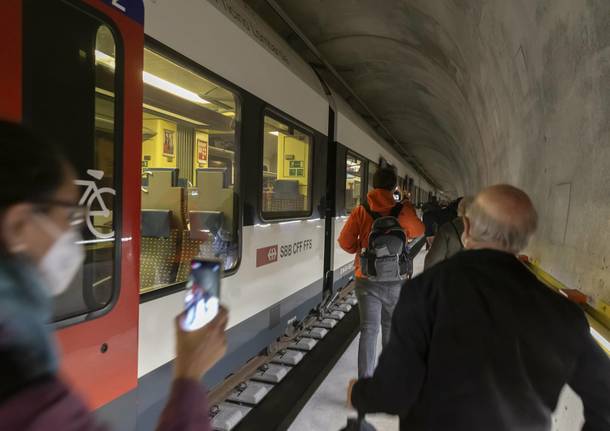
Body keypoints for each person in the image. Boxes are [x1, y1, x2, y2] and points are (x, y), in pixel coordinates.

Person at [0, 121, 227, 430]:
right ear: (18, 227)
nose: (75, 230)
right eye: (69, 215)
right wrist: (189, 372)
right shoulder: (23, 390)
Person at [348, 184, 610, 430]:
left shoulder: (424, 291)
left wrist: (359, 394)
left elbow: (395, 392)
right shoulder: (561, 313)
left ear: (468, 227)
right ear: (525, 239)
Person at [338, 168, 424, 378]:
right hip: (396, 279)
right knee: (390, 327)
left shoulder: (361, 210)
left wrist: (361, 249)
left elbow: (345, 242)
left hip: (367, 279)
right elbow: (419, 231)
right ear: (394, 186)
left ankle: (365, 384)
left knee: (368, 330)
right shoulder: (402, 209)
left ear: (373, 185)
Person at [423, 196, 471, 269]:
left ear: (459, 209)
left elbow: (432, 262)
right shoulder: (485, 229)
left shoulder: (447, 229)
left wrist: (429, 234)